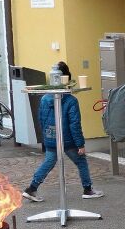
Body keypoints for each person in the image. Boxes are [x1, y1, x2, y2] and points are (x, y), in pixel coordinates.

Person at [22, 61, 104, 203]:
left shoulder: (44, 98)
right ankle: (88, 189)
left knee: (49, 162)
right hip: (68, 141)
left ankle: (32, 188)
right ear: (67, 78)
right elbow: (74, 124)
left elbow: (40, 119)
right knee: (81, 162)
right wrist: (80, 144)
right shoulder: (71, 100)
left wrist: (46, 138)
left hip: (50, 138)